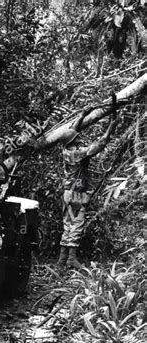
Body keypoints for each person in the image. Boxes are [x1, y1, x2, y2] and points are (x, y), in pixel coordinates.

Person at [57, 111, 117, 269]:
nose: (79, 138)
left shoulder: (65, 150)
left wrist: (82, 116)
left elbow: (71, 133)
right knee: (76, 224)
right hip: (76, 194)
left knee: (67, 224)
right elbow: (99, 145)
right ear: (74, 140)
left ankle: (62, 259)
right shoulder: (78, 153)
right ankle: (71, 258)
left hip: (67, 193)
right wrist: (111, 126)